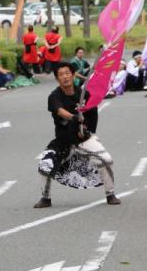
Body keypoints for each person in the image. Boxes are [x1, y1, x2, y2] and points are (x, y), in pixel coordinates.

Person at [35, 62, 120, 208]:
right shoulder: (54, 96)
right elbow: (60, 111)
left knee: (106, 160)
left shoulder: (83, 94)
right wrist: (75, 118)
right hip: (63, 140)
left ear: (73, 75)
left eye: (67, 73)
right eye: (61, 75)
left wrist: (88, 130)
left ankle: (110, 194)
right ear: (57, 79)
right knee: (45, 164)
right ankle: (45, 198)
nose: (65, 77)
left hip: (83, 138)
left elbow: (92, 115)